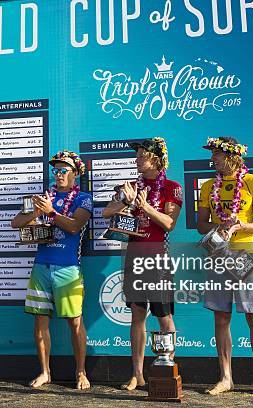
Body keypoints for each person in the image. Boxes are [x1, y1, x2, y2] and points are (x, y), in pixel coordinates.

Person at [197, 136, 253, 397]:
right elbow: (201, 225)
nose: (212, 159)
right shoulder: (208, 186)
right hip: (217, 254)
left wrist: (240, 225)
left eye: (216, 155)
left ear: (231, 156)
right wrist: (220, 227)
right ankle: (225, 378)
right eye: (211, 155)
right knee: (221, 316)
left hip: (245, 253)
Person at [102, 137, 182, 391]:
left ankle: (166, 371)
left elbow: (169, 223)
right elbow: (106, 213)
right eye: (136, 155)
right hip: (134, 257)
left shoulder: (171, 186)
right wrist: (126, 201)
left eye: (140, 155)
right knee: (137, 314)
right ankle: (137, 375)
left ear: (155, 159)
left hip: (158, 257)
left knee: (164, 317)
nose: (136, 159)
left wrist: (144, 206)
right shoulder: (130, 186)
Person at [11, 151, 93, 389]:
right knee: (40, 322)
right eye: (55, 170)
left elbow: (75, 226)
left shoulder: (84, 198)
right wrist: (36, 212)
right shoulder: (44, 196)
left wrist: (51, 212)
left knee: (75, 322)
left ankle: (81, 372)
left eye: (63, 170)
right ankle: (45, 372)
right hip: (41, 267)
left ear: (75, 174)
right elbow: (16, 223)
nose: (58, 175)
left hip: (69, 269)